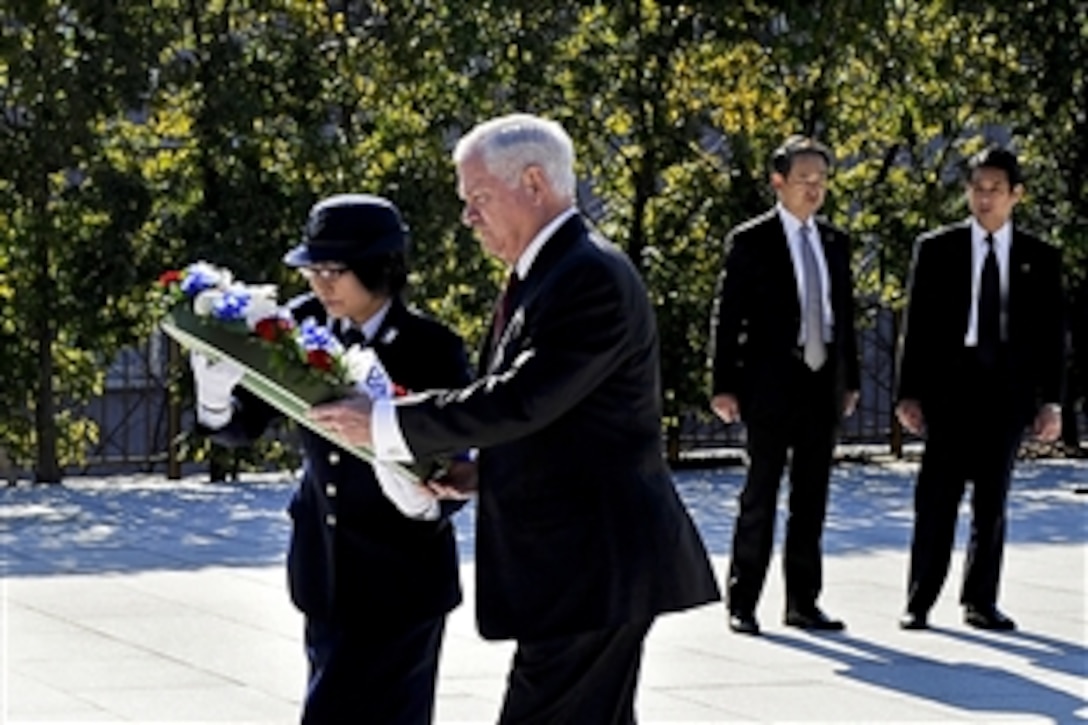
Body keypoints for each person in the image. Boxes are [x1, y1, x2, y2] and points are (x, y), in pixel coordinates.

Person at [310, 113, 721, 724]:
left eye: (478, 199)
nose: (468, 218)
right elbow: (556, 419)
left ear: (534, 182)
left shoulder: (587, 275)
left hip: (592, 568)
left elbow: (522, 397)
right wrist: (482, 473)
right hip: (584, 570)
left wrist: (386, 423)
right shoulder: (551, 273)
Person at [191, 193, 473, 723]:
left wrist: (421, 500)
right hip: (326, 570)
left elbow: (456, 457)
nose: (320, 285)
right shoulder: (297, 327)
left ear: (381, 268)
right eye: (312, 270)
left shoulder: (430, 346)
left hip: (401, 578)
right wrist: (214, 399)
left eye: (335, 270)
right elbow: (243, 425)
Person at [895, 146, 1065, 631]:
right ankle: (919, 599)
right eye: (977, 188)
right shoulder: (938, 249)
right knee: (936, 500)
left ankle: (980, 601)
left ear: (1016, 195)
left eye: (995, 189)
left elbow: (1053, 336)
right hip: (951, 387)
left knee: (992, 502)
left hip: (1006, 391)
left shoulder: (1039, 257)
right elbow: (918, 327)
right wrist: (909, 394)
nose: (985, 198)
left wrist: (1050, 401)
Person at [708, 135, 861, 636]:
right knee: (761, 495)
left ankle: (803, 602)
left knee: (811, 499)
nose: (814, 189)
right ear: (779, 182)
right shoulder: (751, 240)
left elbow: (845, 317)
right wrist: (724, 384)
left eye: (821, 180)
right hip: (769, 384)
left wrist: (850, 380)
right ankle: (743, 600)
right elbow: (728, 319)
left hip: (821, 385)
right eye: (804, 180)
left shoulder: (834, 241)